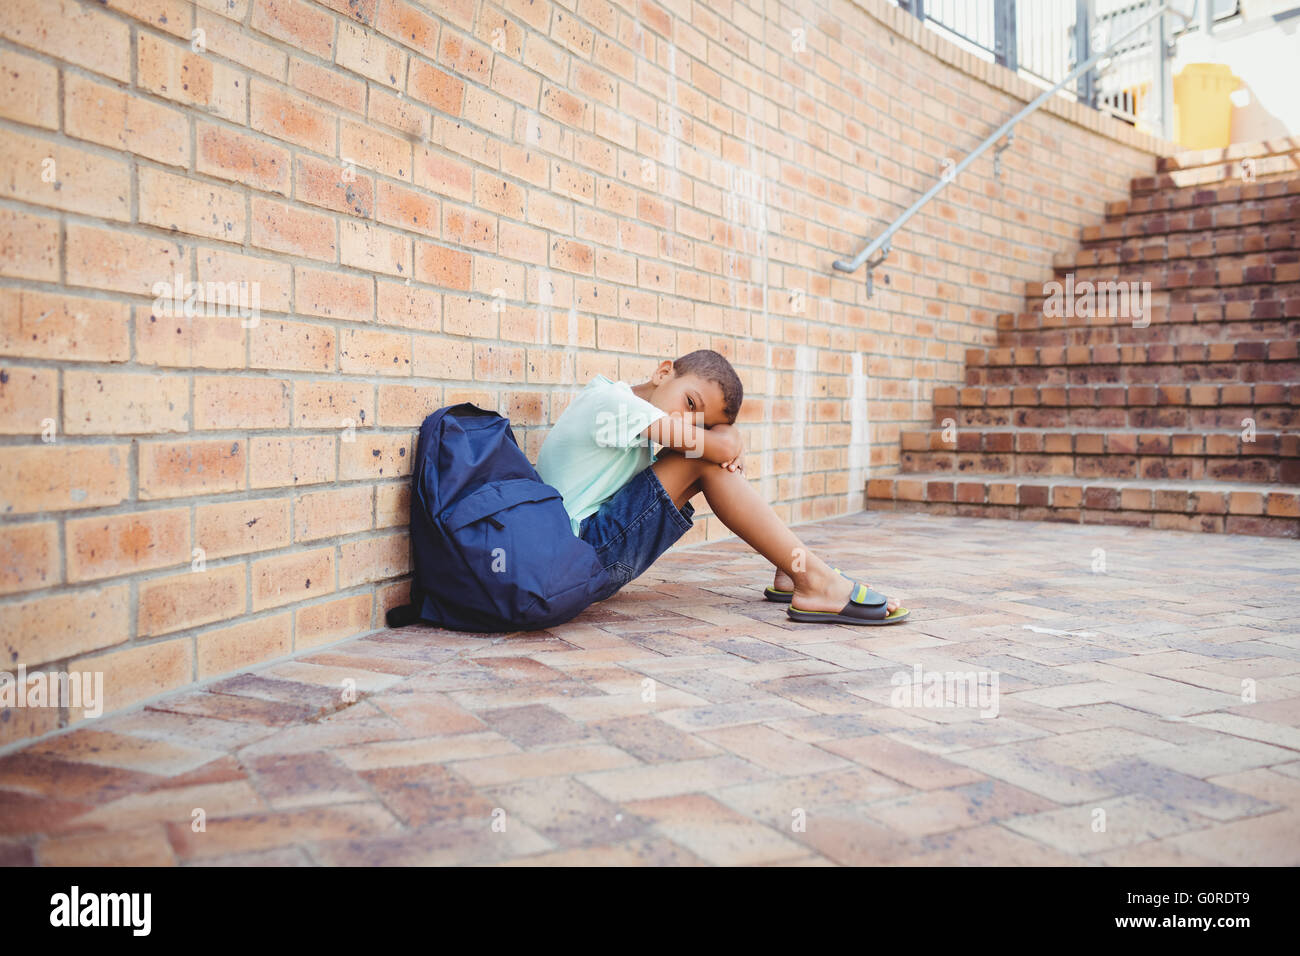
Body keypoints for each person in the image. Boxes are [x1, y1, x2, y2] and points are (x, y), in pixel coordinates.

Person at [535, 349, 908, 624]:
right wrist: (722, 439)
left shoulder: (632, 411)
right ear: (664, 371)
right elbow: (719, 448)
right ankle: (812, 579)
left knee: (701, 458)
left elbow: (718, 445)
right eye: (690, 402)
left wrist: (720, 439)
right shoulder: (615, 405)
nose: (686, 421)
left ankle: (795, 570)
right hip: (579, 556)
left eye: (699, 421)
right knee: (701, 459)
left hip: (583, 557)